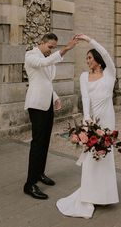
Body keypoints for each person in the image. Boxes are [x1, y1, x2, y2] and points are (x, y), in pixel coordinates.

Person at [56, 34, 119, 218]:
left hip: (108, 120)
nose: (88, 61)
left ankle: (105, 195)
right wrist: (86, 121)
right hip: (92, 122)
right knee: (91, 158)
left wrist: (88, 39)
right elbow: (85, 98)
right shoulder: (84, 76)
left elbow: (106, 54)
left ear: (98, 60)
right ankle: (90, 194)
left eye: (90, 58)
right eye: (87, 58)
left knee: (105, 155)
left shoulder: (110, 74)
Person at [23, 33, 78, 200]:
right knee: (37, 142)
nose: (51, 50)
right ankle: (29, 184)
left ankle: (39, 173)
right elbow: (44, 63)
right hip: (36, 104)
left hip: (47, 103)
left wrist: (55, 97)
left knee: (45, 141)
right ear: (42, 42)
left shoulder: (47, 56)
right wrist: (66, 49)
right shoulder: (31, 55)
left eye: (54, 48)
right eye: (50, 47)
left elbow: (46, 81)